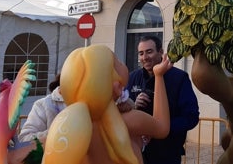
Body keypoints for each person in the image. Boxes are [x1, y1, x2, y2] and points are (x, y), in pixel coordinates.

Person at [42, 44, 173, 164]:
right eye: (117, 62)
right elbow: (162, 127)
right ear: (116, 86)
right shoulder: (129, 120)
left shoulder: (72, 130)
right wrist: (159, 76)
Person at [126, 35, 200, 164]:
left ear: (160, 52)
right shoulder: (132, 77)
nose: (145, 57)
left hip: (168, 153)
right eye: (141, 53)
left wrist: (157, 129)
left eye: (149, 51)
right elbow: (124, 112)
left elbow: (191, 117)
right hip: (137, 152)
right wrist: (134, 105)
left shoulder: (179, 78)